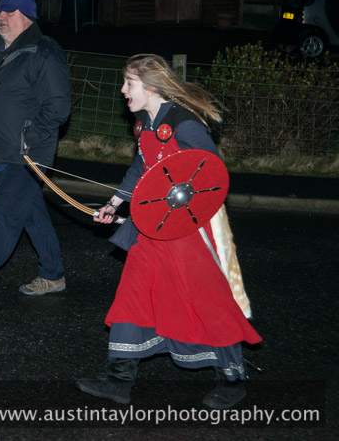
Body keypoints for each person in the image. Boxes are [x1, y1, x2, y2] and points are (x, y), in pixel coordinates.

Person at [76, 54, 262, 410]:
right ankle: (118, 380)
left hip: (189, 232)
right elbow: (142, 168)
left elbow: (209, 174)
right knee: (133, 292)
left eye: (129, 83)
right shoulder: (147, 124)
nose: (122, 90)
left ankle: (233, 378)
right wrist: (114, 203)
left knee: (207, 299)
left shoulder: (184, 124)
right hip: (152, 229)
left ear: (151, 88)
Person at [0, 0, 71, 304]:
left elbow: (58, 107)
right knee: (31, 212)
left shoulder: (44, 52)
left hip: (26, 154)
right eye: (0, 12)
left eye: (8, 12)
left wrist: (30, 137)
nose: (1, 17)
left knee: (5, 213)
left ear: (26, 16)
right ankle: (53, 274)